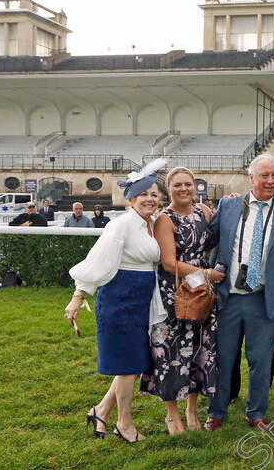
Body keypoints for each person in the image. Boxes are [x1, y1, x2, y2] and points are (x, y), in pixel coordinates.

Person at [64, 158, 167, 443]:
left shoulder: (151, 224)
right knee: (128, 366)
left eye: (154, 194)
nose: (150, 199)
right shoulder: (121, 226)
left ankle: (100, 411)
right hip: (119, 300)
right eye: (143, 194)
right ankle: (124, 423)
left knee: (132, 365)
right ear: (131, 198)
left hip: (140, 302)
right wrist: (77, 296)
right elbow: (96, 261)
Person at [204, 153, 274, 432]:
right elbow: (207, 239)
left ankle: (256, 413)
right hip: (228, 297)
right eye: (265, 176)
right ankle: (216, 411)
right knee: (223, 358)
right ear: (251, 178)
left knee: (261, 360)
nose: (270, 181)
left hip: (264, 298)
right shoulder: (229, 205)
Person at [137, 167, 223, 434]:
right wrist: (205, 273)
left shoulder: (204, 212)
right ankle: (172, 414)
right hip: (176, 289)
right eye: (177, 185)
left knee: (200, 348)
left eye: (188, 184)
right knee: (172, 350)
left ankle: (192, 409)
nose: (184, 189)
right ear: (169, 189)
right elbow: (168, 261)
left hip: (203, 290)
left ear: (195, 186)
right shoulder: (165, 218)